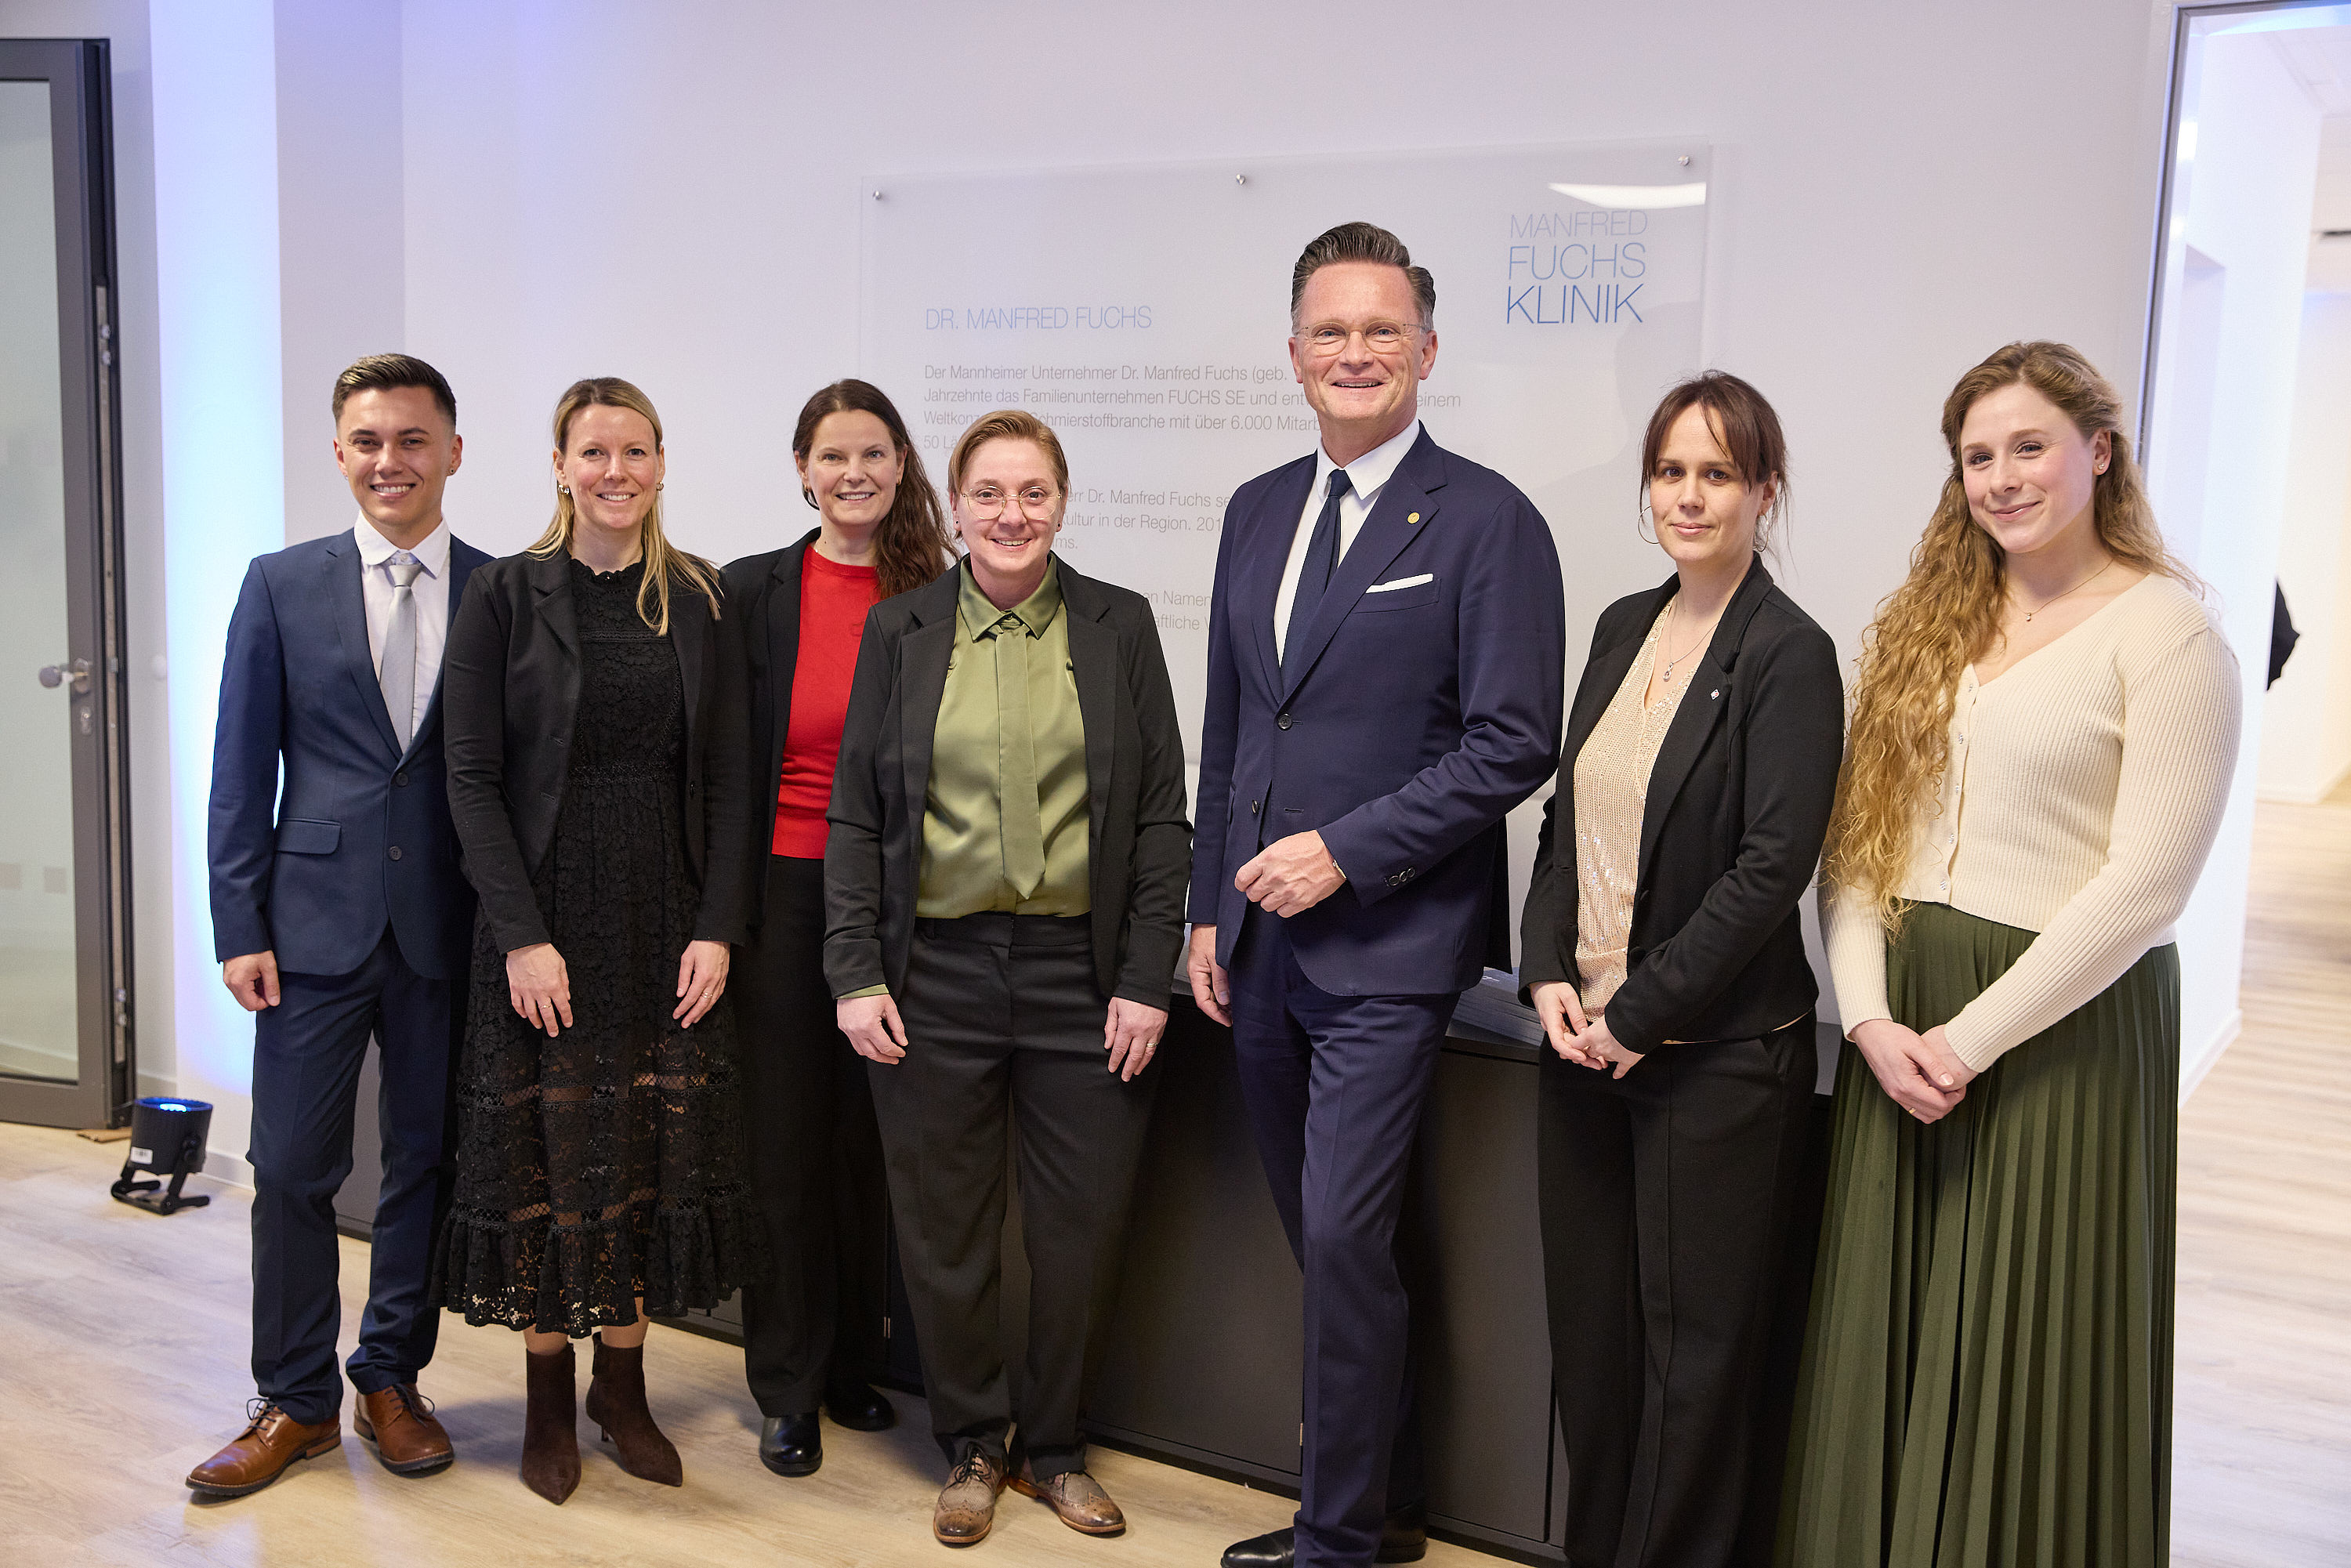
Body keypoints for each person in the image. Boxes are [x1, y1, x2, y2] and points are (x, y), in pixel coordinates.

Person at [1781, 342, 2241, 1566]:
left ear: (2100, 450)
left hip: (2062, 1028)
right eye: (1977, 455)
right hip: (1902, 1027)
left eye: (2029, 446)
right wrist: (1870, 1022)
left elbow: (2148, 884)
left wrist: (1968, 1040)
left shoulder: (2168, 634)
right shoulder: (1929, 626)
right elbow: (1858, 847)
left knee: (2027, 1338)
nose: (2001, 477)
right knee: (1886, 1330)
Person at [1188, 222, 1566, 1568]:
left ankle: (1338, 1540)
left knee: (1347, 1237)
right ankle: (1388, 1500)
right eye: (1331, 331)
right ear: (1295, 354)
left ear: (1428, 349)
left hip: (1390, 947)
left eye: (1382, 329)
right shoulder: (1255, 508)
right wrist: (1205, 908)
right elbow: (1233, 728)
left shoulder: (1488, 520)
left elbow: (1513, 742)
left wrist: (1345, 851)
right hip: (1258, 946)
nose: (1356, 352)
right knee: (1329, 1242)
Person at [827, 409, 1190, 1547]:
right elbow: (856, 815)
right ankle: (975, 1443)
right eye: (988, 492)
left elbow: (1160, 816)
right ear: (956, 505)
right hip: (933, 971)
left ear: (1063, 501)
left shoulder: (1120, 625)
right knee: (946, 1229)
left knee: (1079, 1229)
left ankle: (1058, 1448)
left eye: (1033, 492)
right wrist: (853, 969)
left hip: (1082, 975)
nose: (1011, 513)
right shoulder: (900, 630)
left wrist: (1147, 977)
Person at [1520, 373, 1842, 1568]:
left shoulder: (1789, 654)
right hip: (1581, 1052)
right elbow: (1568, 822)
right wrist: (1544, 968)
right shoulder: (1621, 627)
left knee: (1693, 1370)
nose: (1690, 496)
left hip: (1714, 1065)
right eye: (1670, 471)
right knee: (1595, 1354)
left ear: (1765, 492)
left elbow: (1770, 871)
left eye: (1718, 473)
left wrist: (1638, 1013)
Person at [433, 376, 759, 1505]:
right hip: (543, 922)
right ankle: (546, 1399)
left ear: (661, 464)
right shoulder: (504, 594)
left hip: (664, 916)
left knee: (645, 1159)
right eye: (593, 452)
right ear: (560, 465)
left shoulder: (700, 597)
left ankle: (622, 1392)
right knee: (548, 1155)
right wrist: (521, 937)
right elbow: (470, 779)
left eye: (634, 451)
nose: (615, 471)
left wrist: (718, 929)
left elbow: (731, 783)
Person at [194, 354, 484, 1499]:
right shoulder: (279, 584)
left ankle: (390, 1379)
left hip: (446, 927)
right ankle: (297, 1399)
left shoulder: (503, 590)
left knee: (425, 1160)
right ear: (338, 453)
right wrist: (237, 922)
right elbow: (239, 766)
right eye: (368, 440)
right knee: (289, 1167)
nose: (389, 461)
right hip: (307, 928)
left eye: (412, 439)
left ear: (452, 451)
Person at [720, 378, 954, 1477]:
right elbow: (721, 765)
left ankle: (856, 1362)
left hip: (901, 904)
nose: (853, 473)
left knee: (872, 1145)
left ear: (901, 464)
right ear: (803, 470)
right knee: (786, 1149)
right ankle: (788, 1385)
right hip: (783, 895)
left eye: (873, 453)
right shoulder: (750, 591)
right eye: (832, 455)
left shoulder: (942, 591)